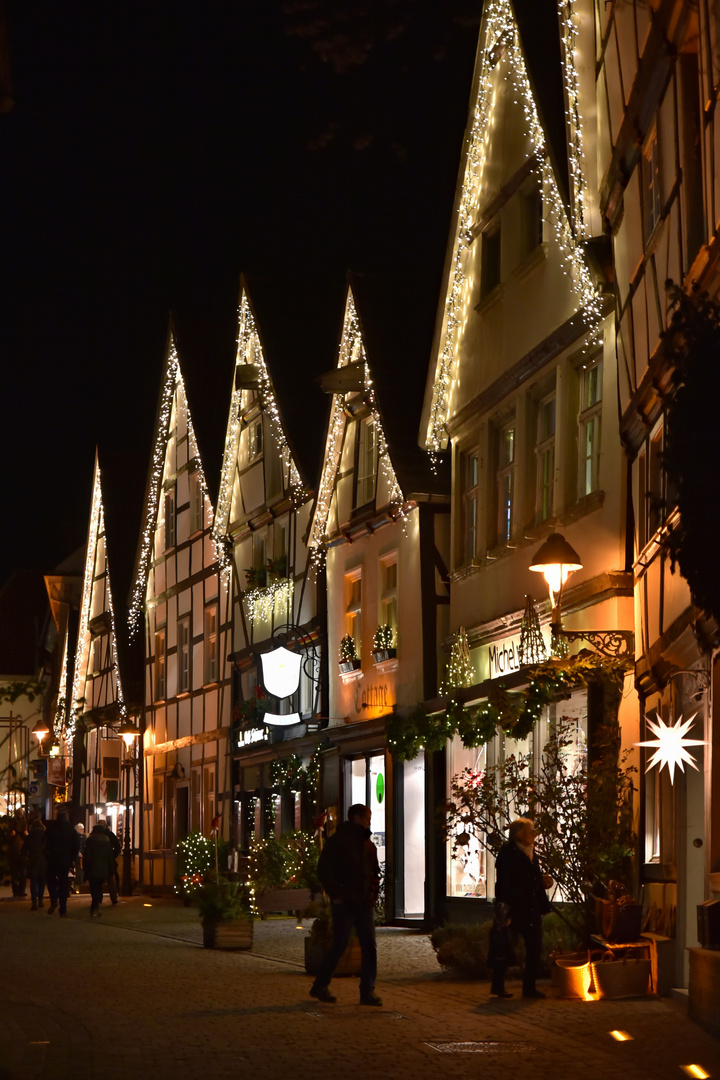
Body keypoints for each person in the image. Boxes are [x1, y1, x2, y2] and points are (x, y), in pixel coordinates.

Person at [310, 803, 381, 1007]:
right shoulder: (340, 841)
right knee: (340, 944)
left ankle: (367, 991)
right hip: (346, 902)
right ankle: (321, 985)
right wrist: (337, 894)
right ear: (357, 818)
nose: (369, 821)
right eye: (367, 817)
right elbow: (324, 869)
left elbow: (373, 871)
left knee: (369, 946)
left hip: (362, 902)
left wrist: (372, 894)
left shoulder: (365, 842)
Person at [494, 817, 553, 999]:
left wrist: (543, 882)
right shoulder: (507, 854)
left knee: (534, 948)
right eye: (531, 831)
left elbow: (533, 879)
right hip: (515, 909)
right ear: (520, 834)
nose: (534, 834)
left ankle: (529, 987)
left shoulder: (531, 853)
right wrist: (504, 908)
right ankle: (498, 985)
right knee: (506, 947)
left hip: (532, 908)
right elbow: (504, 883)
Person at [45, 810, 81, 917]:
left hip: (53, 859)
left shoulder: (51, 829)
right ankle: (63, 908)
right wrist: (71, 858)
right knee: (63, 882)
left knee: (50, 880)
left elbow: (45, 844)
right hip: (65, 860)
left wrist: (48, 856)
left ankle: (54, 899)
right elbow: (76, 845)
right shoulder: (70, 830)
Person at [84, 822, 116, 916]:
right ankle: (96, 907)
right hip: (103, 869)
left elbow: (87, 856)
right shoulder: (107, 842)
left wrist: (86, 869)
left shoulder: (91, 841)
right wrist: (111, 870)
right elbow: (110, 857)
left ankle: (94, 908)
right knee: (99, 888)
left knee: (94, 890)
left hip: (93, 869)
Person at [487, 900, 515, 998]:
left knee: (500, 962)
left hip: (499, 931)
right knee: (500, 961)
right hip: (500, 932)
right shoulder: (503, 903)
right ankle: (499, 988)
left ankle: (498, 988)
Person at [22, 819, 47, 910]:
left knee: (34, 882)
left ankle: (34, 902)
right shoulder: (45, 835)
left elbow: (24, 850)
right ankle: (40, 900)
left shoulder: (30, 836)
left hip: (32, 861)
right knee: (42, 882)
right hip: (44, 861)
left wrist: (24, 860)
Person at [97, 818, 120, 904]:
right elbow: (117, 846)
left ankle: (98, 899)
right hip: (107, 860)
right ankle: (114, 898)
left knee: (99, 881)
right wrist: (112, 856)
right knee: (111, 880)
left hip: (99, 861)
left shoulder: (94, 836)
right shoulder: (109, 834)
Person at [72, 822, 86, 892]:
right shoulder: (75, 836)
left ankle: (81, 883)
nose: (82, 831)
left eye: (83, 829)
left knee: (81, 871)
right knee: (77, 871)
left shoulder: (84, 837)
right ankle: (76, 884)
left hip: (82, 857)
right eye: (81, 829)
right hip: (76, 857)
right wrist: (78, 853)